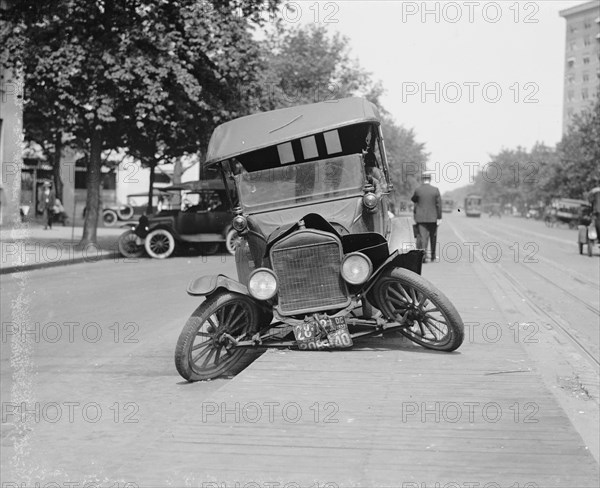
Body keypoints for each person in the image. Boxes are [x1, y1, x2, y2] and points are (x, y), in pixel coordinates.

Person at [411, 173, 442, 263]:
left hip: (421, 218)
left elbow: (413, 199)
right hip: (433, 218)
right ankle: (432, 256)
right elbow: (439, 205)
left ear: (422, 179)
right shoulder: (435, 190)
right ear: (430, 179)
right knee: (433, 237)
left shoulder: (418, 190)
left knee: (423, 238)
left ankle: (423, 257)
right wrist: (439, 217)